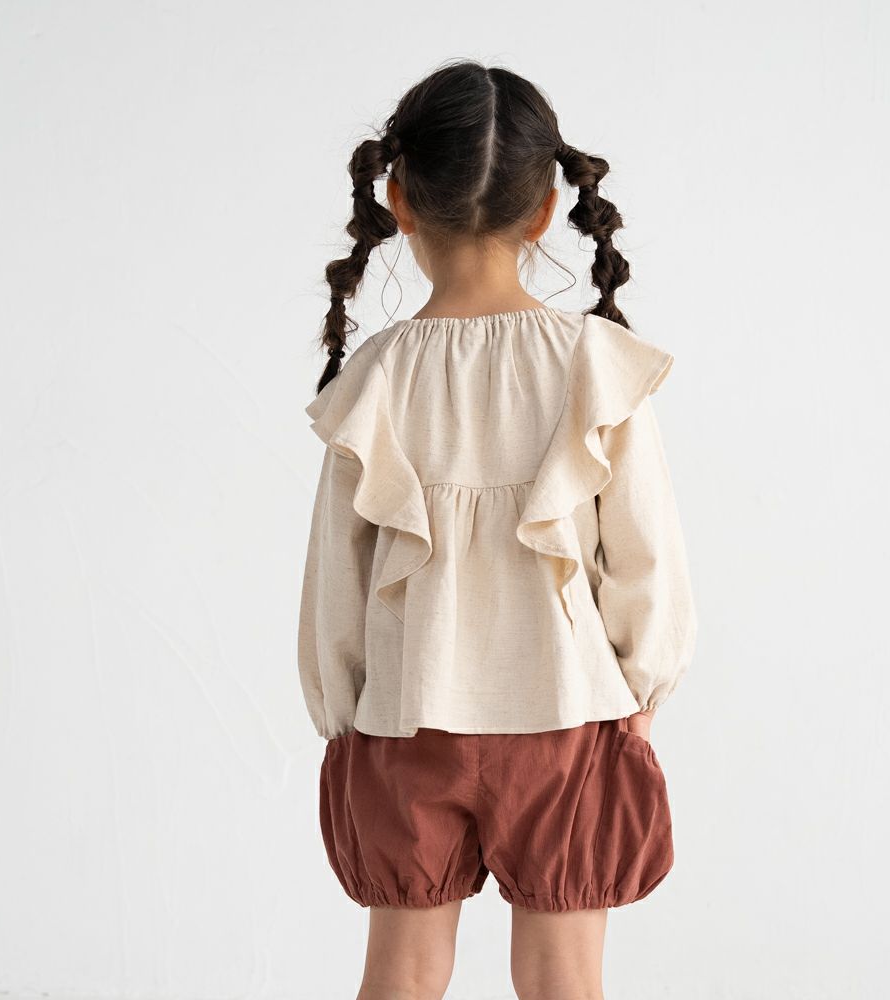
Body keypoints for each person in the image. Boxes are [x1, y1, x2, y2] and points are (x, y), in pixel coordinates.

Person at [297, 57, 697, 1000]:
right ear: (546, 210)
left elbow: (336, 582)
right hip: (566, 711)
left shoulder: (376, 377)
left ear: (397, 200)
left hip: (406, 715)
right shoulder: (594, 362)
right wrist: (639, 691)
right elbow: (645, 558)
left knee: (400, 977)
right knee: (564, 983)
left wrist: (345, 716)